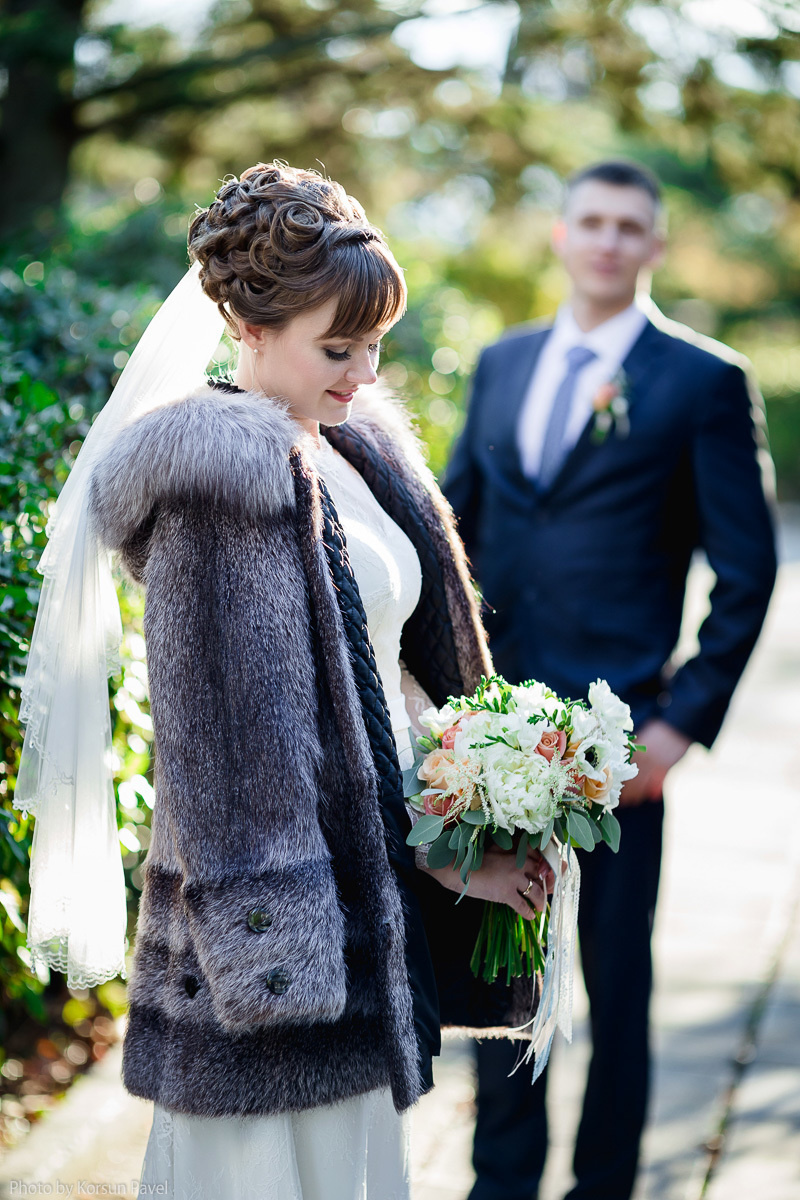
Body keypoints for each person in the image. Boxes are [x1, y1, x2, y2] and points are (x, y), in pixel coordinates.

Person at [14, 162, 555, 1200]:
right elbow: (242, 765)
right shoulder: (218, 487)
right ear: (247, 327)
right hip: (275, 964)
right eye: (336, 348)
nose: (363, 375)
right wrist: (435, 869)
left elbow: (391, 681)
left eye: (375, 345)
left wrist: (490, 798)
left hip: (367, 924)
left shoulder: (350, 451)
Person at [442, 159, 778, 1200]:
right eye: (588, 220)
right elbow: (452, 525)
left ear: (653, 247)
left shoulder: (699, 379)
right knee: (498, 970)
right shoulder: (500, 363)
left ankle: (604, 1188)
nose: (605, 240)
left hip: (616, 744)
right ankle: (498, 1182)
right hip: (494, 737)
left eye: (628, 227)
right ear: (558, 233)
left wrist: (680, 723)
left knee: (615, 981)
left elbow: (746, 566)